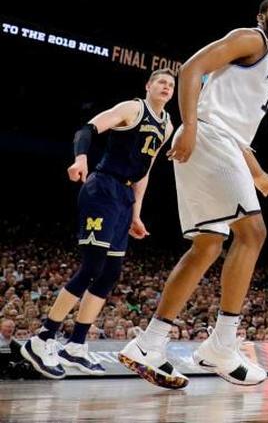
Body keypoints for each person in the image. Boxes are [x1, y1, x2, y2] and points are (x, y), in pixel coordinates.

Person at [120, 0, 268, 389]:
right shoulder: (252, 39)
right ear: (260, 16)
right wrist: (192, 125)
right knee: (253, 233)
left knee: (208, 246)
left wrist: (259, 173)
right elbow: (192, 68)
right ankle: (222, 343)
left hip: (222, 142)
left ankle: (149, 343)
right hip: (209, 138)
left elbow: (237, 133)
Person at [19, 71, 175, 379]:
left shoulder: (167, 126)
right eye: (161, 82)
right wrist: (80, 159)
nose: (167, 87)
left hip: (124, 198)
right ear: (148, 86)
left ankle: (75, 345)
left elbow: (145, 171)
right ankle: (42, 338)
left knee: (111, 273)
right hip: (102, 188)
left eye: (171, 85)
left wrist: (136, 213)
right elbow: (87, 130)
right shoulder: (132, 108)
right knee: (92, 267)